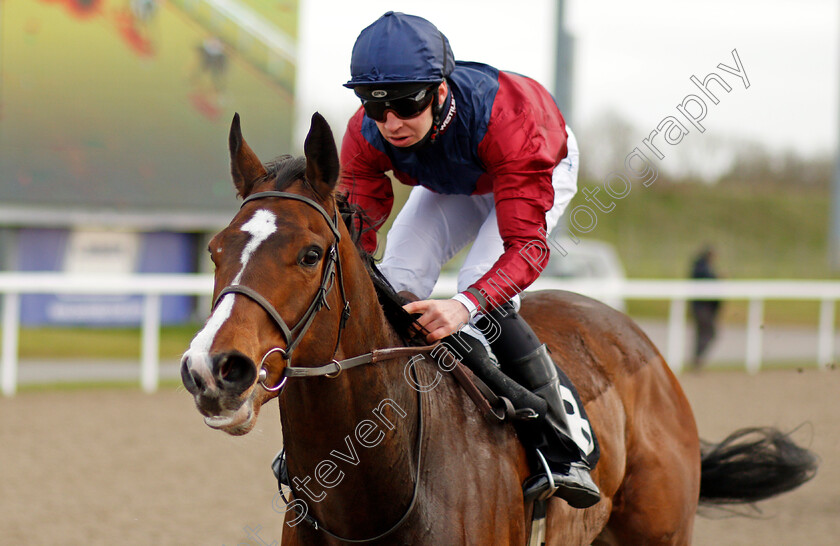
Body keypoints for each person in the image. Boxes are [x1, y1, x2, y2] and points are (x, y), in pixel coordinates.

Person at [339, 12, 600, 509]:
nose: (391, 122)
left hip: (529, 163)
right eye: (375, 106)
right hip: (456, 177)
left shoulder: (513, 123)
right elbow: (357, 232)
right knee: (394, 282)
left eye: (405, 104)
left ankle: (563, 445)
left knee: (483, 289)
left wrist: (462, 306)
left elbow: (527, 248)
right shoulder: (367, 133)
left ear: (439, 91)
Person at [690, 246, 722, 370]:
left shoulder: (700, 266)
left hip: (703, 307)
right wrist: (717, 278)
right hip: (702, 307)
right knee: (708, 333)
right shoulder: (702, 267)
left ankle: (697, 359)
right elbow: (705, 279)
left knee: (703, 334)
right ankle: (697, 359)